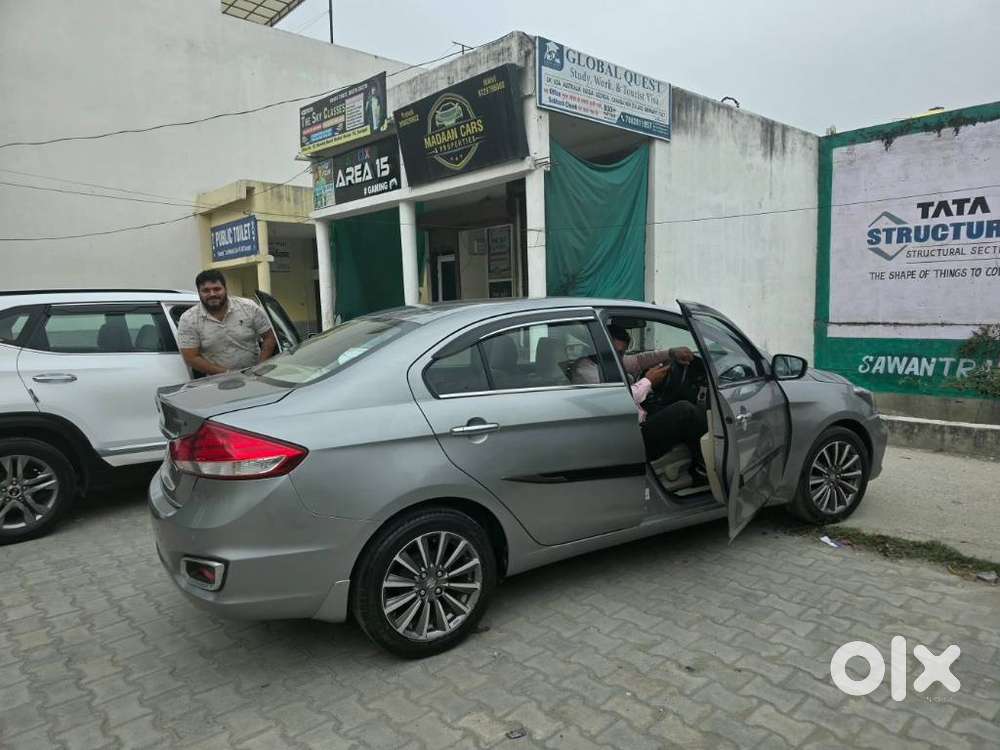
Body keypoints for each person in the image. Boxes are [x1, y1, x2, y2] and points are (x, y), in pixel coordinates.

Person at [586, 324, 708, 475]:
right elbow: (616, 400)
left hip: (634, 420)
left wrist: (671, 353)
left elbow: (638, 360)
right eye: (617, 352)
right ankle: (707, 463)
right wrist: (649, 381)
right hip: (626, 437)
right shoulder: (586, 371)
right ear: (598, 346)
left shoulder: (608, 360)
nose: (620, 357)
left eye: (622, 353)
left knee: (668, 405)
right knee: (685, 410)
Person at [177, 270, 277, 376]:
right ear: (199, 292)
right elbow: (191, 357)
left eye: (217, 289)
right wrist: (228, 374)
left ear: (225, 289)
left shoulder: (249, 307)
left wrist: (260, 367)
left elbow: (270, 337)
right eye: (206, 290)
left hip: (255, 376)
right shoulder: (189, 319)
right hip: (217, 380)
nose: (212, 294)